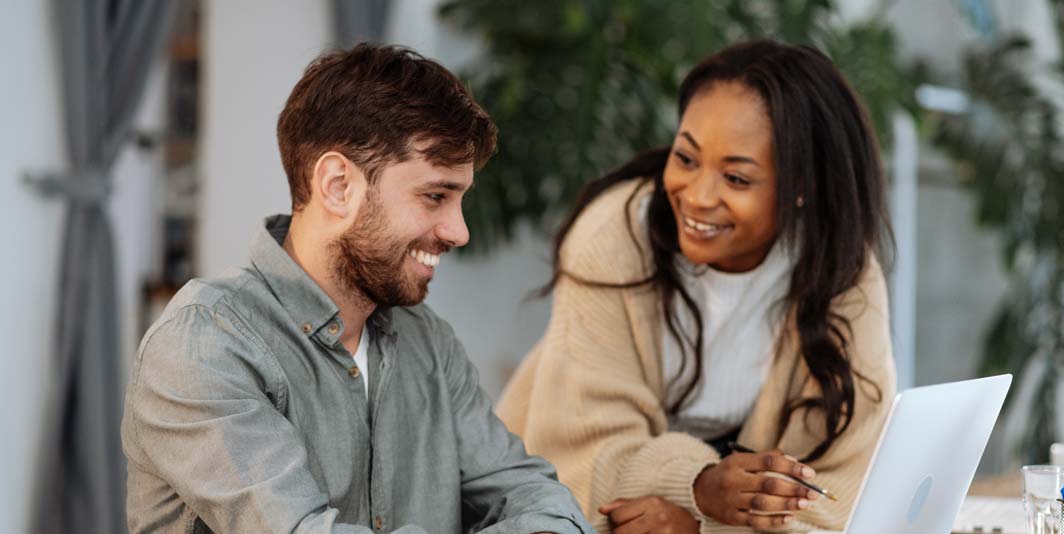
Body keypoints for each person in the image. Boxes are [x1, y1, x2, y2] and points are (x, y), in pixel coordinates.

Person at [121, 44, 592, 534]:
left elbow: (536, 497)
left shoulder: (429, 343)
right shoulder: (202, 344)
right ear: (338, 185)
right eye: (435, 196)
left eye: (460, 199)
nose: (458, 231)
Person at [496, 39, 896, 533]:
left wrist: (698, 525)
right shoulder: (613, 236)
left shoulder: (843, 277)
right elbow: (584, 460)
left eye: (736, 178)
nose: (698, 197)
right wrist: (701, 485)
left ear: (801, 188)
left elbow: (842, 494)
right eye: (686, 159)